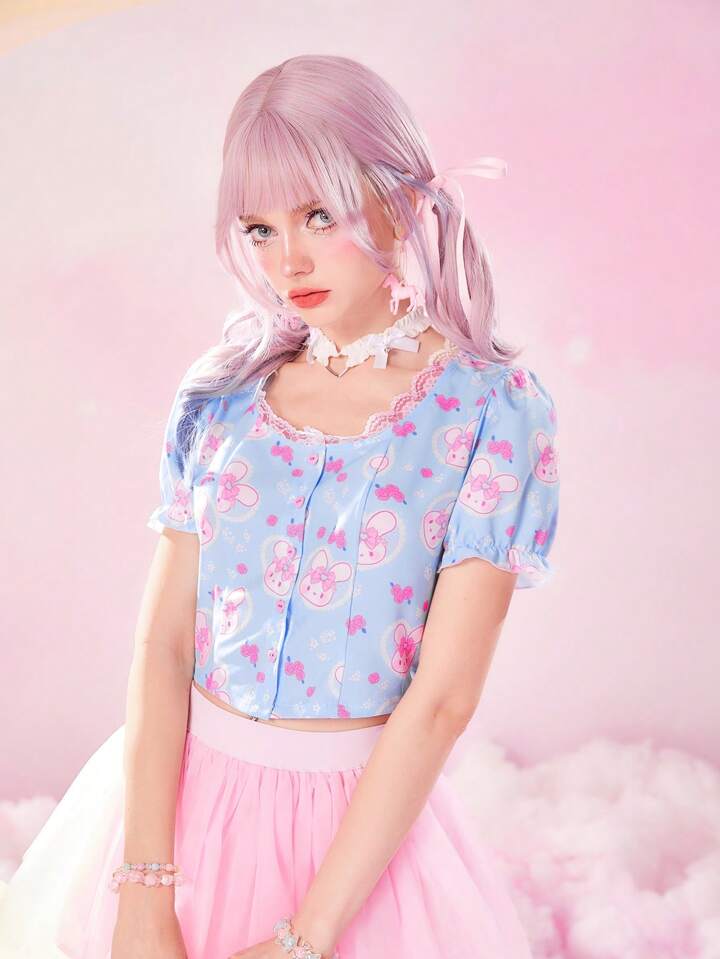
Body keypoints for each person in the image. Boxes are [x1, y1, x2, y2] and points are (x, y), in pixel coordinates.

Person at [0, 53, 560, 959]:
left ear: (401, 201)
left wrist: (306, 936)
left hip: (357, 846)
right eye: (260, 228)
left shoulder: (490, 411)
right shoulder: (222, 397)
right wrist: (144, 885)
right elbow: (164, 645)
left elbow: (442, 699)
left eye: (318, 216)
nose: (287, 259)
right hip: (179, 822)